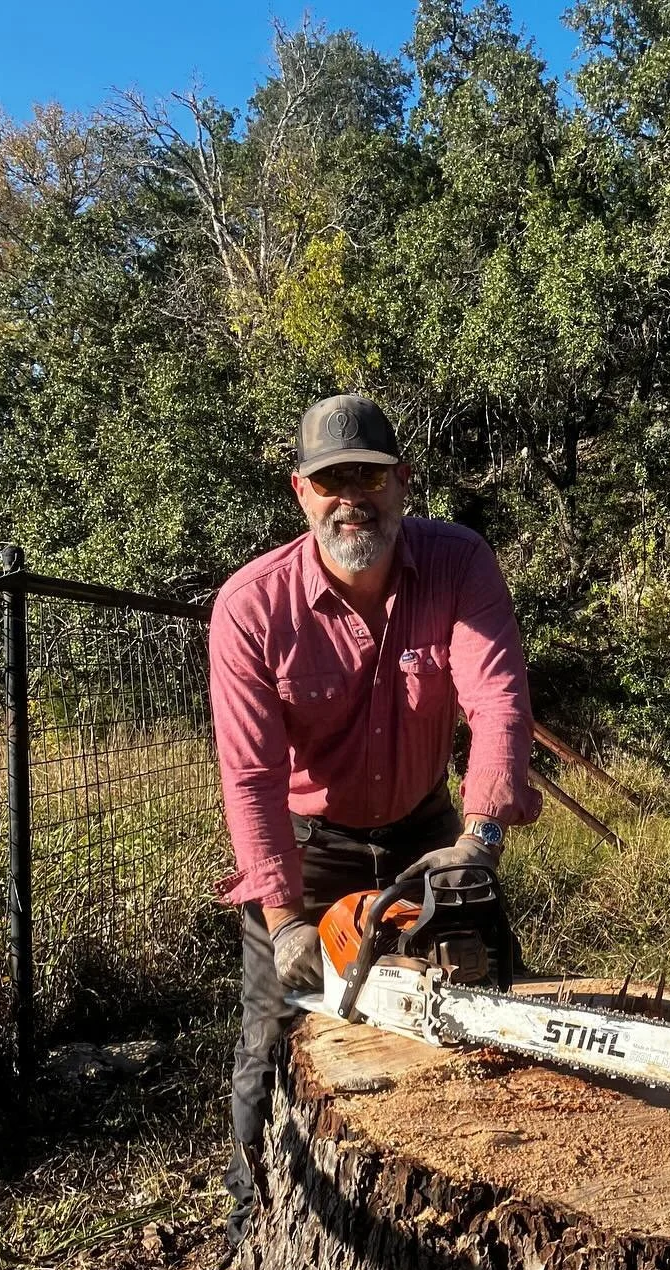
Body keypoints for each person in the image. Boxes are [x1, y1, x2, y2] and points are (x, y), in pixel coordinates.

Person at [208, 393, 541, 1220]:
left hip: (431, 831)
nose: (350, 495)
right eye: (331, 480)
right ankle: (255, 1207)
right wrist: (284, 920)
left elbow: (497, 700)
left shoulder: (460, 563)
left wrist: (483, 835)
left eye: (369, 475)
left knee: (493, 1000)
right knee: (268, 1033)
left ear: (402, 482)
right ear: (301, 493)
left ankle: (504, 1194)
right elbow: (251, 775)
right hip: (310, 849)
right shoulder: (251, 607)